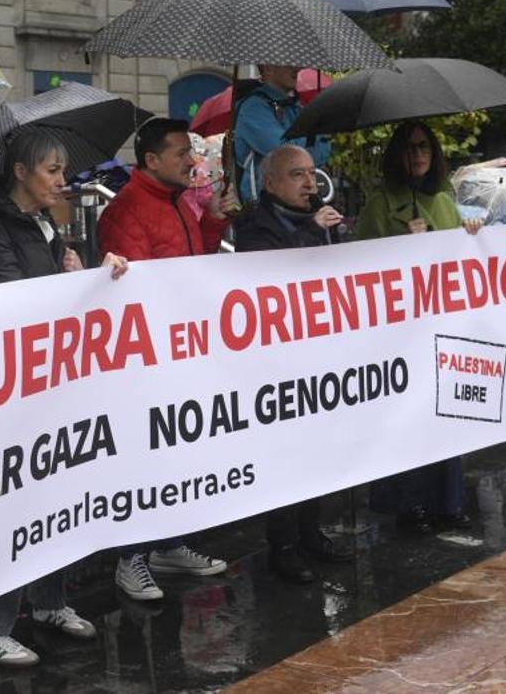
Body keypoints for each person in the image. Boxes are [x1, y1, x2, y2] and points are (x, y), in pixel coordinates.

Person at [0, 128, 127, 666]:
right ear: (21, 172)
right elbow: (17, 298)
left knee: (57, 493)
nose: (61, 180)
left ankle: (50, 600)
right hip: (12, 388)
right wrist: (64, 280)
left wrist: (88, 274)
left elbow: (55, 294)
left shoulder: (44, 224)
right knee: (16, 502)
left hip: (50, 382)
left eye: (62, 170)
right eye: (52, 170)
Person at [97, 117, 235, 601]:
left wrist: (212, 219)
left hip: (182, 348)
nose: (192, 161)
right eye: (180, 153)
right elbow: (137, 291)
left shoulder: (176, 202)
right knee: (144, 456)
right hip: (148, 359)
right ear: (152, 160)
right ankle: (131, 556)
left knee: (176, 451)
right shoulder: (126, 210)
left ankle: (169, 543)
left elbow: (193, 263)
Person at [231, 145, 354, 583]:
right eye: (297, 174)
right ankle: (282, 545)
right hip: (276, 364)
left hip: (317, 356)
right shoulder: (253, 225)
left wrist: (336, 237)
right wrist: (310, 234)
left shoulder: (320, 221)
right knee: (284, 456)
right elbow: (267, 275)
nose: (309, 183)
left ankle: (310, 532)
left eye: (311, 173)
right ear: (270, 182)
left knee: (315, 450)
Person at [355, 121, 482, 533]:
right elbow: (360, 267)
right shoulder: (379, 205)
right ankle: (409, 505)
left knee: (446, 412)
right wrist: (402, 247)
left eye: (424, 146)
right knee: (407, 417)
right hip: (400, 333)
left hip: (442, 325)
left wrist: (471, 236)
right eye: (410, 148)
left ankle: (447, 502)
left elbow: (460, 260)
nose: (418, 154)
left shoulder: (444, 200)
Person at [232, 65, 332, 205]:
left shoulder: (295, 106)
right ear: (268, 68)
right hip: (265, 208)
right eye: (288, 64)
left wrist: (311, 132)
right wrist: (312, 131)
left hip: (300, 205)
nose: (297, 69)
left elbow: (321, 155)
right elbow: (287, 156)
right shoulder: (253, 108)